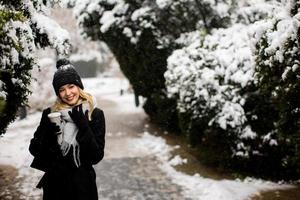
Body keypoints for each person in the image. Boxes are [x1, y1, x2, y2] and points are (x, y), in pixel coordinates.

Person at [29, 59, 105, 200]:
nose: (68, 93)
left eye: (71, 86)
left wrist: (83, 125)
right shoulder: (49, 113)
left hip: (83, 187)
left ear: (78, 87)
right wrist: (49, 133)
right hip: (55, 187)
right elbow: (34, 149)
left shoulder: (94, 114)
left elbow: (96, 156)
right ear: (58, 93)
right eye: (61, 90)